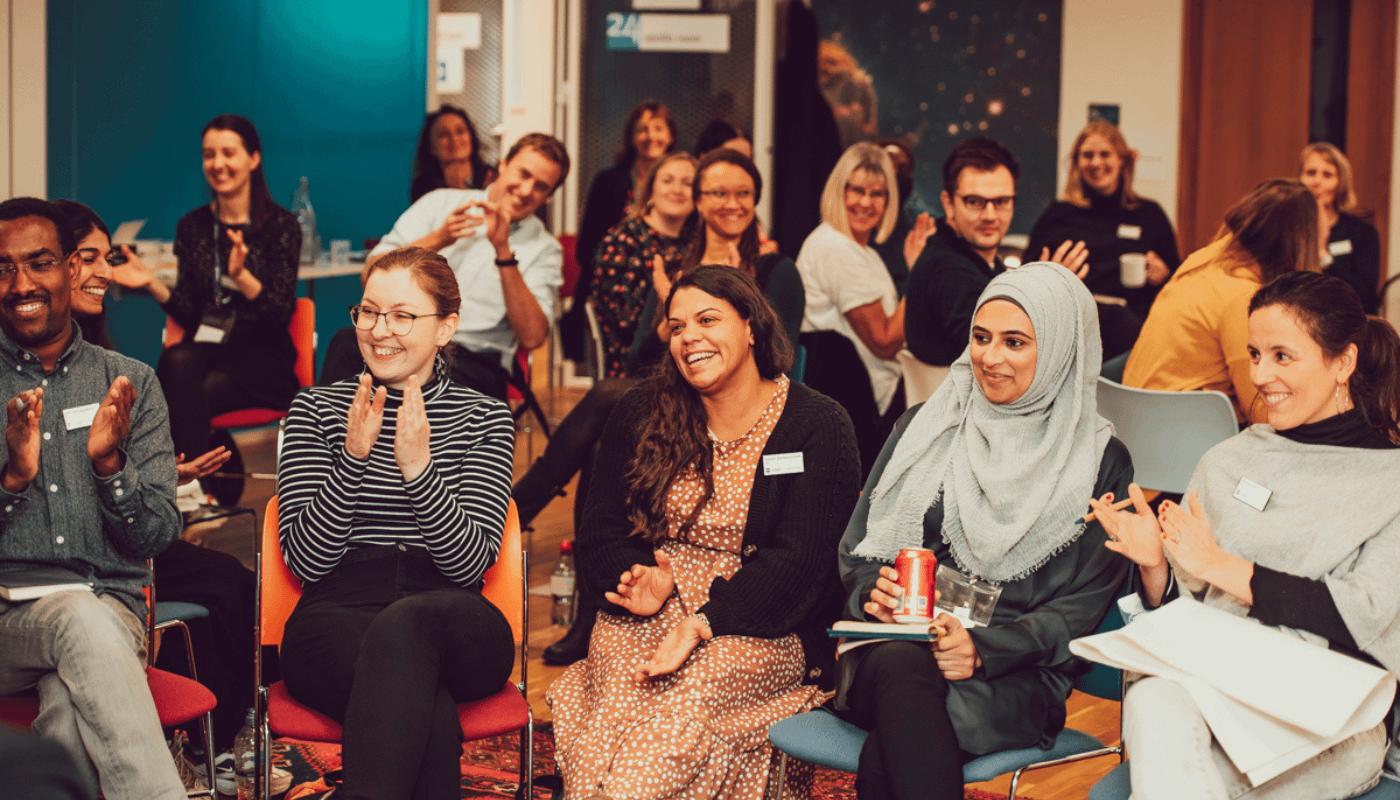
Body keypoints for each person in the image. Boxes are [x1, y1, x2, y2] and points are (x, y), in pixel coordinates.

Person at [548, 265, 861, 800]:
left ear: (752, 326)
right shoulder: (642, 413)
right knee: (614, 707)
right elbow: (601, 528)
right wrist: (636, 576)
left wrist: (703, 624)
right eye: (676, 326)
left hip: (764, 624)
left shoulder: (817, 424)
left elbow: (801, 564)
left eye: (707, 319)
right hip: (650, 608)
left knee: (681, 716)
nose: (689, 336)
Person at [1089, 270, 1400, 799]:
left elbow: (1366, 615)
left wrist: (1225, 568)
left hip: (1330, 715)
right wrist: (1155, 567)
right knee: (1153, 698)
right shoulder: (1228, 461)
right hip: (1207, 688)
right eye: (1254, 354)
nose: (1258, 375)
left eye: (1282, 355)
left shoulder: (1390, 480)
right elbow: (1184, 616)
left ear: (1343, 362)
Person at [837, 261, 1132, 800]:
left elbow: (1081, 610)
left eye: (1015, 342)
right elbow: (859, 551)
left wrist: (982, 650)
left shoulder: (1099, 462)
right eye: (980, 337)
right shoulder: (924, 426)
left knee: (901, 728)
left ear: (1062, 351)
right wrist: (871, 592)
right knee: (905, 671)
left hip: (1013, 672)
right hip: (896, 642)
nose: (989, 358)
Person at [515, 147, 804, 667]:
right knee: (608, 434)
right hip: (668, 398)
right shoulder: (673, 263)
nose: (730, 203)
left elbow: (776, 354)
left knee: (607, 400)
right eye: (717, 192)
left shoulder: (775, 268)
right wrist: (668, 303)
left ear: (756, 199)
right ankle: (590, 607)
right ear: (698, 199)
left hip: (736, 411)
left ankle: (516, 515)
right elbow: (646, 354)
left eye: (742, 193)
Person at [278, 246, 516, 800]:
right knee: (424, 712)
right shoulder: (315, 411)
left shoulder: (485, 417)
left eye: (403, 316)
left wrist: (419, 470)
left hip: (452, 615)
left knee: (409, 627)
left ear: (446, 328)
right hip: (336, 614)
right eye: (368, 312)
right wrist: (352, 461)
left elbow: (467, 565)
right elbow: (307, 559)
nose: (380, 330)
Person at [53, 200, 259, 754]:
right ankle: (213, 744)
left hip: (127, 524)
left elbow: (110, 457)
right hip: (86, 554)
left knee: (233, 586)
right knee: (225, 585)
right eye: (87, 257)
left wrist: (161, 469)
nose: (104, 271)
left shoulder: (104, 358)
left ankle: (220, 739)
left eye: (106, 257)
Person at [0, 197, 185, 799]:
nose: (21, 283)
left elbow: (157, 534)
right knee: (78, 619)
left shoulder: (129, 382)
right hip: (6, 626)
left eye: (39, 262)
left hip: (114, 611)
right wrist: (12, 482)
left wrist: (111, 467)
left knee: (68, 709)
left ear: (69, 271)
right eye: (2, 268)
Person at [318, 132, 569, 399]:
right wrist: (440, 238)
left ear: (549, 197)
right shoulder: (440, 204)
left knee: (420, 381)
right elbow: (370, 275)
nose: (527, 190)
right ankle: (333, 439)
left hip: (472, 358)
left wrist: (504, 253)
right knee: (347, 343)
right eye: (524, 174)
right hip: (400, 336)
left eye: (541, 187)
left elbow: (532, 338)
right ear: (503, 164)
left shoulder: (545, 248)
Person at [113, 113, 301, 464]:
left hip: (263, 358)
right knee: (177, 362)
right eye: (208, 155)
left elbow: (279, 314)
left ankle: (193, 485)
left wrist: (242, 276)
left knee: (178, 393)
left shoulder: (281, 226)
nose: (217, 164)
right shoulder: (193, 226)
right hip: (209, 351)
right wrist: (152, 284)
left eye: (228, 153)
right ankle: (203, 481)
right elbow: (190, 311)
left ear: (253, 159)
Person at [1122, 178, 1319, 424]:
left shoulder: (1200, 261)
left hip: (1135, 424)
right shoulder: (1241, 297)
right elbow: (1263, 413)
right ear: (1299, 244)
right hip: (1181, 435)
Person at [797, 142, 928, 475]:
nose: (866, 203)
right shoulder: (835, 247)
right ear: (838, 190)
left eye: (878, 194)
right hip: (848, 401)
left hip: (863, 397)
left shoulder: (861, 250)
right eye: (857, 190)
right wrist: (918, 274)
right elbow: (884, 341)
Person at [905, 137, 1087, 367]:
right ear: (949, 203)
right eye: (974, 201)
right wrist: (1053, 295)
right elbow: (1001, 357)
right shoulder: (950, 271)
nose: (990, 215)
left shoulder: (969, 259)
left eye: (1001, 201)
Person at [1025, 121, 1181, 358]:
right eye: (1088, 155)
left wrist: (1163, 275)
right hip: (1076, 325)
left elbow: (1177, 281)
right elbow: (1027, 279)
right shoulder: (1059, 214)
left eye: (1105, 154)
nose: (1096, 163)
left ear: (1122, 160)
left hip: (1135, 326)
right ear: (1077, 162)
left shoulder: (1149, 214)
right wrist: (1054, 277)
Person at [564, 101, 677, 361]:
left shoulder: (683, 184)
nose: (651, 136)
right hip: (615, 290)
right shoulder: (608, 182)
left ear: (670, 135)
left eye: (658, 128)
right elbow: (585, 250)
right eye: (642, 129)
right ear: (631, 137)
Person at [591, 151, 696, 378]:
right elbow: (627, 324)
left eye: (687, 183)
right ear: (650, 191)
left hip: (687, 355)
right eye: (667, 181)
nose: (677, 190)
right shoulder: (622, 240)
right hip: (635, 367)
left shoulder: (697, 242)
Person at [1300, 142, 1381, 314]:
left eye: (1327, 175)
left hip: (1346, 321)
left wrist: (1323, 255)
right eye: (1310, 173)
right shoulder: (1288, 228)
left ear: (1341, 183)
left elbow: (1365, 297)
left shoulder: (1362, 232)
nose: (1317, 181)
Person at [409, 104, 497, 203]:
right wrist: (457, 189)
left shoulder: (491, 176)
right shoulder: (422, 187)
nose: (454, 139)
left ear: (471, 137)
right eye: (443, 134)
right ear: (431, 147)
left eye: (460, 131)